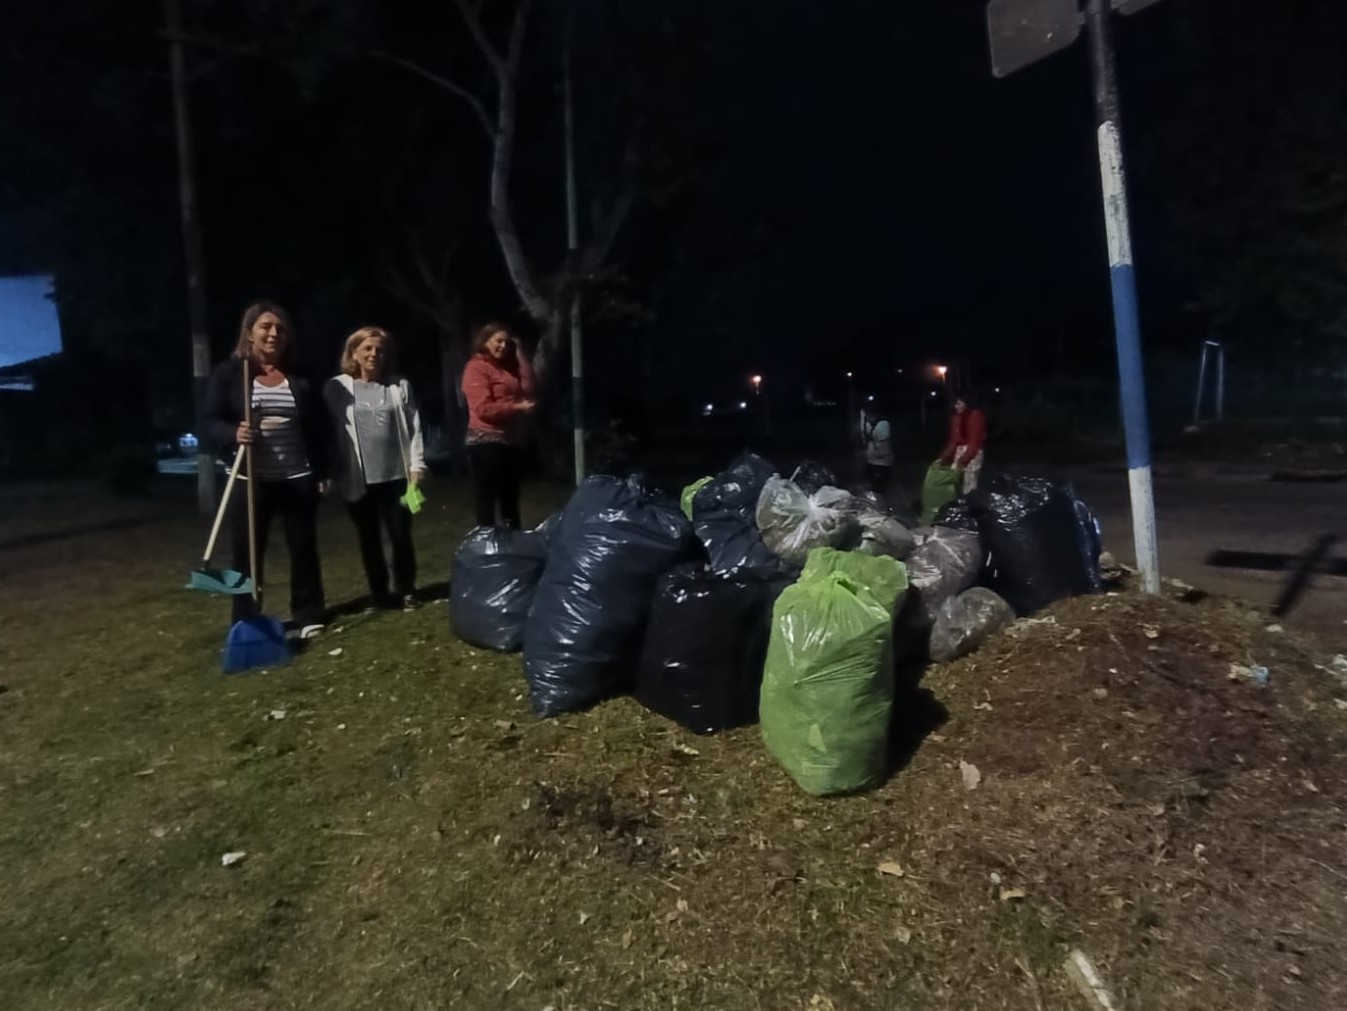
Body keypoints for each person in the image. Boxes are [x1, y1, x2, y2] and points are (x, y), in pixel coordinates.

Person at [204, 300, 332, 638]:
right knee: (246, 554)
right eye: (266, 327)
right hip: (250, 481)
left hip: (297, 476)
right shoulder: (231, 373)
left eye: (281, 329)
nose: (274, 333)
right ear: (250, 333)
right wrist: (234, 433)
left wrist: (323, 471)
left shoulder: (300, 377)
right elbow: (209, 421)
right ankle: (244, 619)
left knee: (303, 549)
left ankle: (308, 614)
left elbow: (321, 428)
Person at [325, 326, 426, 611]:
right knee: (368, 538)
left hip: (397, 476)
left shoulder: (399, 386)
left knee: (401, 536)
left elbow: (415, 426)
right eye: (367, 348)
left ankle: (407, 590)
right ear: (354, 353)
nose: (374, 354)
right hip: (359, 478)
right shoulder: (337, 388)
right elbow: (331, 433)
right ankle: (380, 594)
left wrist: (417, 465)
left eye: (380, 349)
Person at [461, 322, 536, 529]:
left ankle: (512, 550)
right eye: (498, 341)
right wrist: (517, 408)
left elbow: (528, 387)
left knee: (510, 504)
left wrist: (520, 352)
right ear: (485, 341)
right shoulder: (476, 367)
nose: (503, 346)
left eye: (506, 341)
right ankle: (488, 552)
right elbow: (482, 408)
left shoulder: (506, 369)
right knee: (487, 505)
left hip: (509, 442)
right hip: (485, 443)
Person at [938, 390, 987, 494]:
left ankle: (970, 504)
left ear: (967, 403)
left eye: (959, 403)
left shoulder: (975, 416)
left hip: (973, 454)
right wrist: (943, 457)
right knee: (951, 481)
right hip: (960, 453)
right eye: (956, 404)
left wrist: (964, 460)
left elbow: (974, 443)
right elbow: (954, 441)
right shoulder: (956, 418)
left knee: (969, 485)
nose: (956, 406)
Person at [857, 405, 895, 496]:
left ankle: (881, 502)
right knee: (875, 487)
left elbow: (877, 436)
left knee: (880, 488)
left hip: (883, 462)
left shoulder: (883, 424)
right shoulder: (870, 425)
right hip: (873, 462)